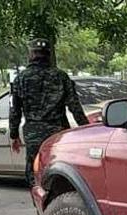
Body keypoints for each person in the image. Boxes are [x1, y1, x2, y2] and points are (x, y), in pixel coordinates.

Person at [9, 38, 88, 186]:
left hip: (33, 132)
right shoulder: (61, 76)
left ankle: (38, 198)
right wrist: (85, 129)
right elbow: (74, 106)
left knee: (34, 169)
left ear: (31, 54)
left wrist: (14, 135)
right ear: (49, 55)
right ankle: (57, 202)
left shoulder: (21, 79)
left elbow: (15, 109)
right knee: (60, 166)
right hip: (58, 131)